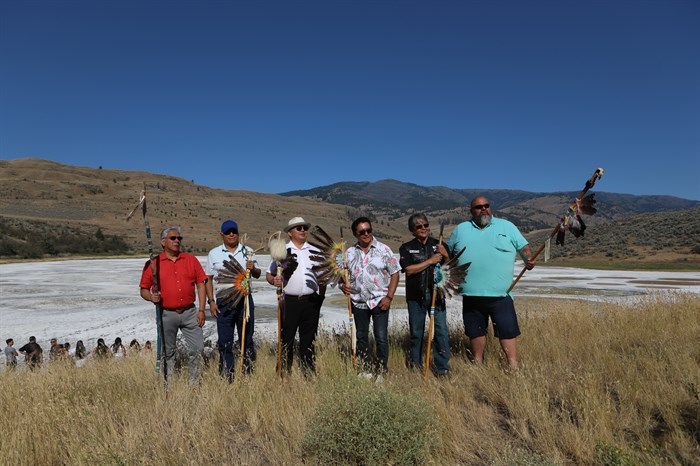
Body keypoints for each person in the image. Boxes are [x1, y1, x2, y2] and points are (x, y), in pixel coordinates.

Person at [446, 196, 534, 370]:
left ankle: (512, 365)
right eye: (478, 207)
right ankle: (478, 364)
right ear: (471, 211)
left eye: (486, 206)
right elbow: (448, 255)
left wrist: (528, 259)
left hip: (501, 294)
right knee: (475, 331)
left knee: (507, 331)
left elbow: (523, 247)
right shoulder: (460, 230)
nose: (483, 209)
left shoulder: (507, 226)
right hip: (471, 294)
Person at [141, 225, 207, 384]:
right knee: (168, 351)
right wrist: (151, 297)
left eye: (179, 238)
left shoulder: (190, 260)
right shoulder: (154, 263)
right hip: (166, 314)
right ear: (163, 242)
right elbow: (143, 289)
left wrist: (202, 310)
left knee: (197, 349)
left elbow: (201, 284)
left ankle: (194, 384)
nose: (177, 241)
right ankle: (168, 384)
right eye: (173, 238)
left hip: (190, 312)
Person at [266, 216, 325, 375]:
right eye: (299, 228)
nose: (303, 231)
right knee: (287, 338)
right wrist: (274, 280)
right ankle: (284, 372)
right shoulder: (282, 251)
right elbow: (269, 275)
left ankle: (309, 373)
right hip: (289, 302)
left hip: (311, 302)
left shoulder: (315, 250)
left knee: (309, 339)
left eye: (305, 228)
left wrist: (321, 297)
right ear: (290, 233)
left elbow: (323, 275)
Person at [342, 217, 400, 376]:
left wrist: (389, 297)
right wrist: (343, 285)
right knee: (361, 337)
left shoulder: (384, 249)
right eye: (362, 232)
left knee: (381, 337)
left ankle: (381, 370)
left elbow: (395, 273)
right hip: (358, 302)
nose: (366, 234)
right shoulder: (349, 253)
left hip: (380, 301)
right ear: (356, 234)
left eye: (369, 230)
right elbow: (344, 275)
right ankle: (365, 369)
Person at [205, 220, 261, 381]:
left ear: (237, 233)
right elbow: (208, 278)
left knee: (247, 339)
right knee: (224, 340)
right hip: (224, 301)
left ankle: (248, 373)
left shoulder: (248, 251)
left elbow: (257, 274)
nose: (231, 234)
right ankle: (226, 375)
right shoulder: (214, 253)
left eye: (234, 232)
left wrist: (253, 268)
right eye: (228, 232)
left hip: (245, 300)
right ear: (221, 234)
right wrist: (211, 301)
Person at [399, 213, 451, 376]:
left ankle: (442, 367)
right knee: (416, 332)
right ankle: (416, 366)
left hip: (437, 294)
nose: (423, 229)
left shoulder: (439, 244)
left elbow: (450, 267)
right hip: (416, 296)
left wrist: (445, 255)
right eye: (419, 227)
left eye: (426, 225)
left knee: (441, 331)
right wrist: (430, 261)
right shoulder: (406, 248)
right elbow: (408, 269)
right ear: (412, 230)